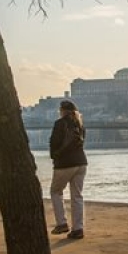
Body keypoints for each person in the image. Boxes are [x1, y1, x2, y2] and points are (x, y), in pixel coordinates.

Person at [48, 100, 87, 239]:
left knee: (55, 191)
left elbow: (54, 143)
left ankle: (62, 223)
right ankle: (78, 228)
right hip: (81, 162)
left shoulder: (60, 124)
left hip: (65, 163)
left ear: (62, 111)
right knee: (77, 196)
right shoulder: (80, 124)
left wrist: (54, 156)